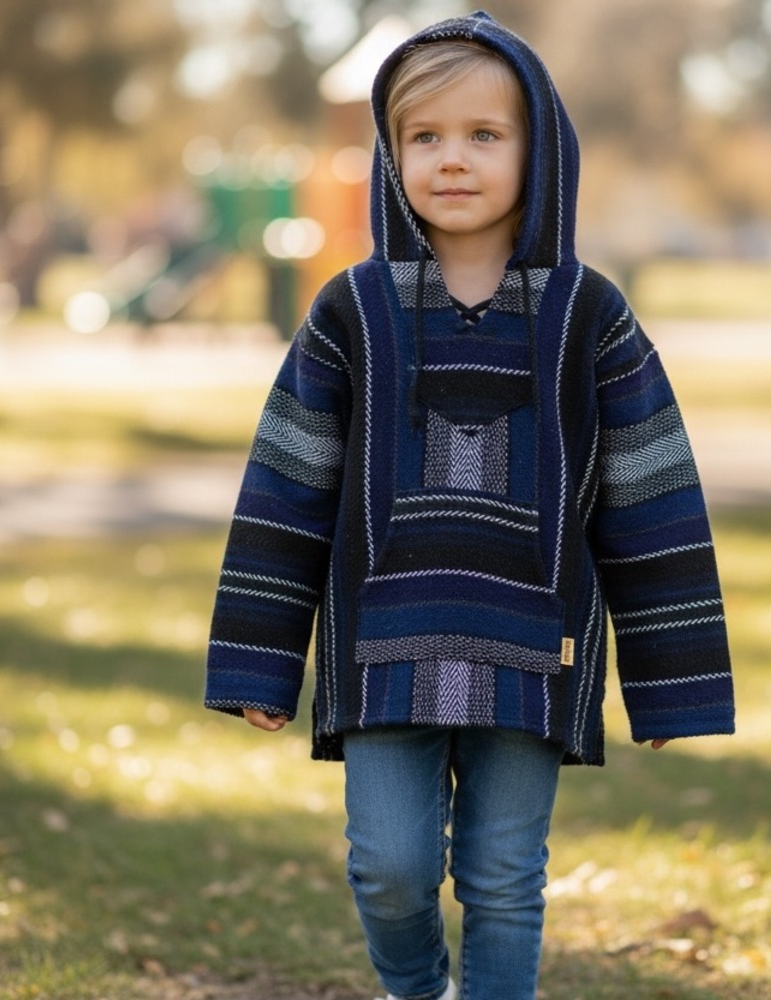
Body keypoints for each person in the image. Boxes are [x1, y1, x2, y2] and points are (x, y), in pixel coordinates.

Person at [205, 11, 734, 1000]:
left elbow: (648, 494)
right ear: (390, 154)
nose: (452, 159)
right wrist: (259, 661)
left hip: (532, 652)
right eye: (425, 137)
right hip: (384, 651)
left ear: (541, 149)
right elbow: (287, 490)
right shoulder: (348, 312)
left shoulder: (589, 314)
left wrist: (674, 682)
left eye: (484, 134)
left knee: (503, 877)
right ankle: (417, 988)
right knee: (388, 868)